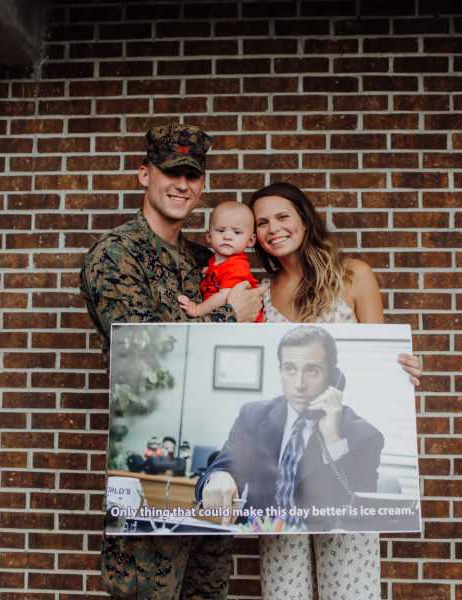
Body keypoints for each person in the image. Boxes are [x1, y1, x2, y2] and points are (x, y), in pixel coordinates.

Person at [79, 123, 263, 600]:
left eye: (192, 176)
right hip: (152, 465)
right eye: (170, 172)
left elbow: (274, 323)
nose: (182, 184)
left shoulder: (207, 259)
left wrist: (386, 366)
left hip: (213, 462)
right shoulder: (117, 255)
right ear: (145, 174)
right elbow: (141, 361)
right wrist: (227, 314)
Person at [225, 182, 420, 600]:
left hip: (340, 462)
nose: (273, 229)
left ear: (303, 217)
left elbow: (377, 358)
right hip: (284, 478)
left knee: (349, 592)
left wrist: (401, 370)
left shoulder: (354, 275)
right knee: (284, 593)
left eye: (282, 217)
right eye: (261, 223)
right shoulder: (260, 294)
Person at [197, 325, 385, 531]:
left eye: (312, 371)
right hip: (257, 539)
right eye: (290, 368)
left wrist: (333, 439)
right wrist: (218, 478)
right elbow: (217, 471)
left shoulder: (364, 436)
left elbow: (363, 515)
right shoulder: (253, 417)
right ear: (280, 371)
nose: (298, 384)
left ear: (333, 377)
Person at [177, 201, 264, 321]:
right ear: (209, 236)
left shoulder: (237, 266)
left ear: (250, 240)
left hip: (245, 325)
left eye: (237, 232)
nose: (227, 236)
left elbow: (224, 298)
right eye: (221, 230)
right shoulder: (213, 261)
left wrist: (198, 310)